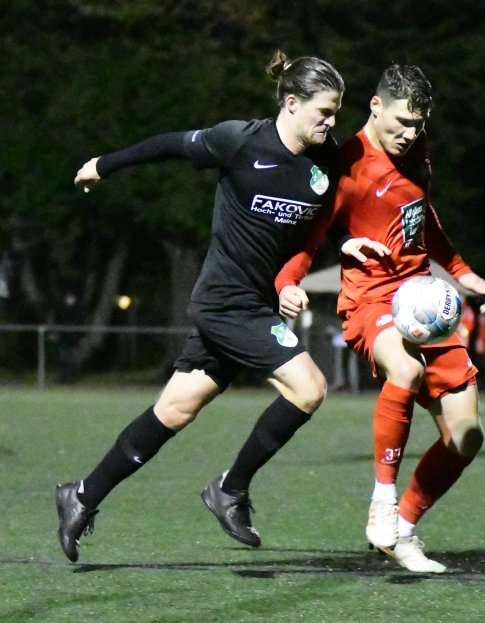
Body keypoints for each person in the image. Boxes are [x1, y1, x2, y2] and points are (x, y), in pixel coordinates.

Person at [55, 51, 347, 562]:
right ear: (292, 102)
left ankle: (80, 496)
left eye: (337, 112)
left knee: (175, 408)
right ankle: (230, 489)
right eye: (324, 111)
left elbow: (312, 234)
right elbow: (168, 145)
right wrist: (103, 165)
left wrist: (290, 279)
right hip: (225, 304)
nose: (331, 121)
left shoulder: (325, 161)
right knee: (310, 387)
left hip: (256, 304)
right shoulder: (240, 140)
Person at [276, 64, 485, 573]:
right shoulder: (344, 164)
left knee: (466, 436)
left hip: (423, 300)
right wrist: (288, 282)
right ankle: (382, 501)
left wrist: (462, 271)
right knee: (406, 370)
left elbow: (422, 219)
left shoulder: (415, 153)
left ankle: (402, 531)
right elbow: (310, 235)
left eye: (417, 125)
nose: (408, 134)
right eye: (400, 121)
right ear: (375, 106)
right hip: (370, 301)